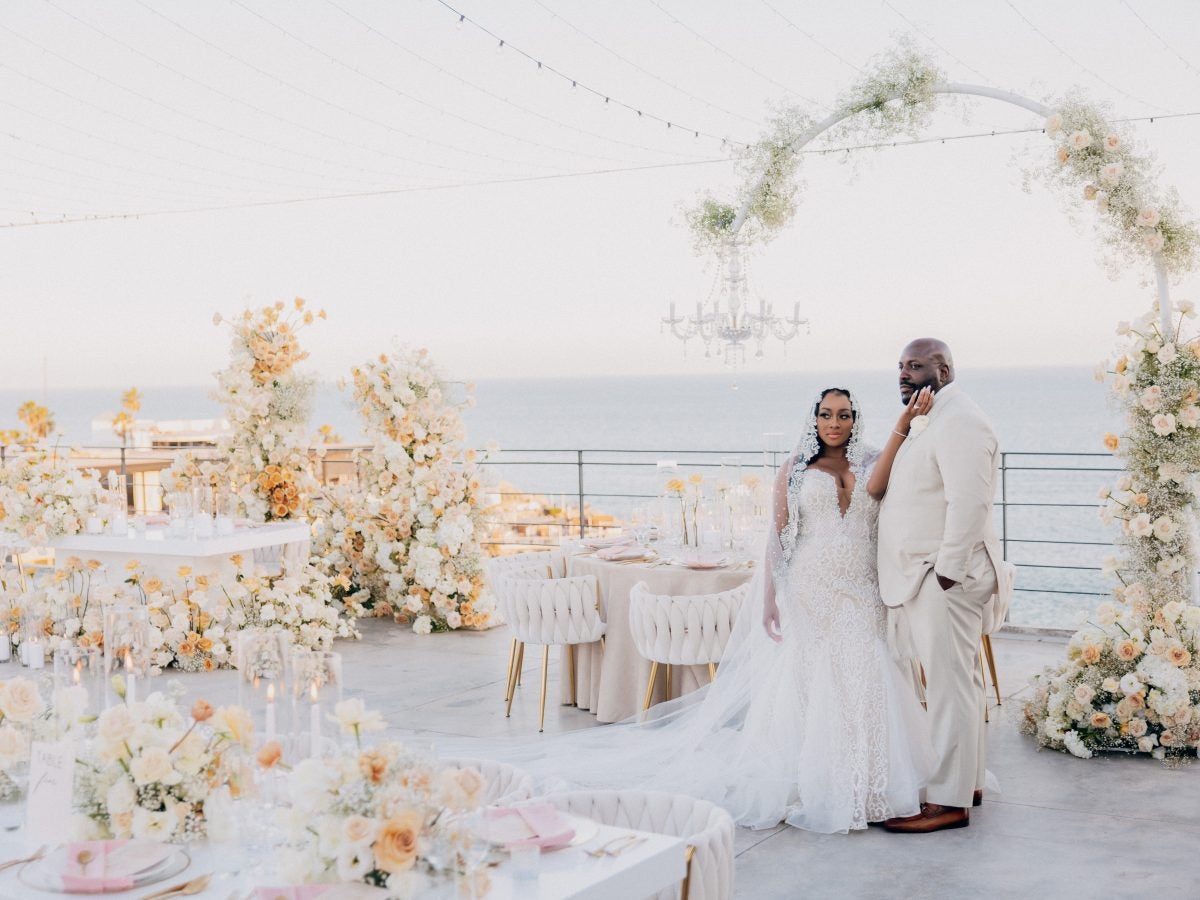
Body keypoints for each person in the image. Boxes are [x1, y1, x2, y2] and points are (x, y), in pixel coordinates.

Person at [479, 385, 939, 835]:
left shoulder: (874, 460)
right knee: (814, 677)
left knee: (866, 671)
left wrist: (903, 426)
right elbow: (778, 538)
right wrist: (768, 601)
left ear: (855, 420)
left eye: (843, 414)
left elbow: (879, 495)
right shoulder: (797, 468)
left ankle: (871, 783)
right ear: (813, 419)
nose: (834, 423)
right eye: (825, 414)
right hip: (810, 585)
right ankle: (818, 783)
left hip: (862, 586)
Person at [876, 338, 1008, 834]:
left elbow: (969, 502)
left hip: (944, 576)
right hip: (931, 572)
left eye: (916, 365)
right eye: (901, 366)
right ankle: (967, 783)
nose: (905, 374)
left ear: (945, 369)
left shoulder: (962, 421)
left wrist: (946, 571)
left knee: (949, 688)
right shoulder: (935, 416)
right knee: (963, 683)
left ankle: (947, 802)